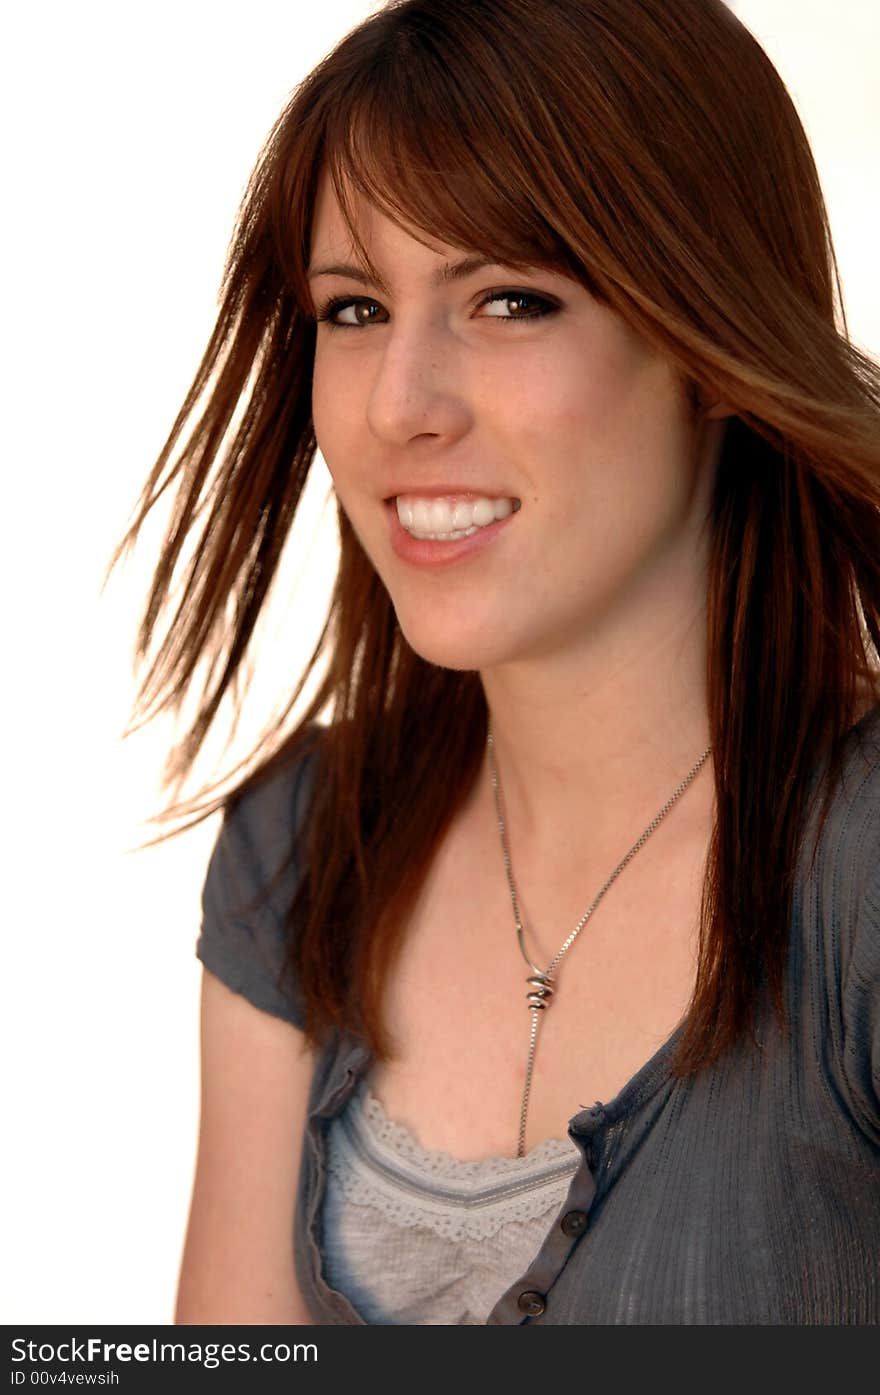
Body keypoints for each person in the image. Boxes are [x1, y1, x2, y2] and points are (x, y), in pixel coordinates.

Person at [113, 0, 880, 1324]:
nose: (402, 403)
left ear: (709, 341)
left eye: (510, 300)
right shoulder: (299, 843)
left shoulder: (857, 873)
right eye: (352, 309)